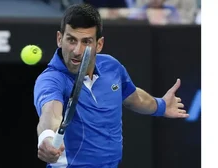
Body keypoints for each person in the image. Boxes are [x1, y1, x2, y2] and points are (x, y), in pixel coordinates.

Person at [33, 3, 189, 168]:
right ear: (59, 39)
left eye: (86, 41)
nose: (77, 50)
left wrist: (161, 105)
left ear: (99, 45)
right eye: (71, 40)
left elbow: (134, 97)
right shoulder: (51, 80)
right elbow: (50, 113)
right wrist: (46, 138)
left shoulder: (111, 66)